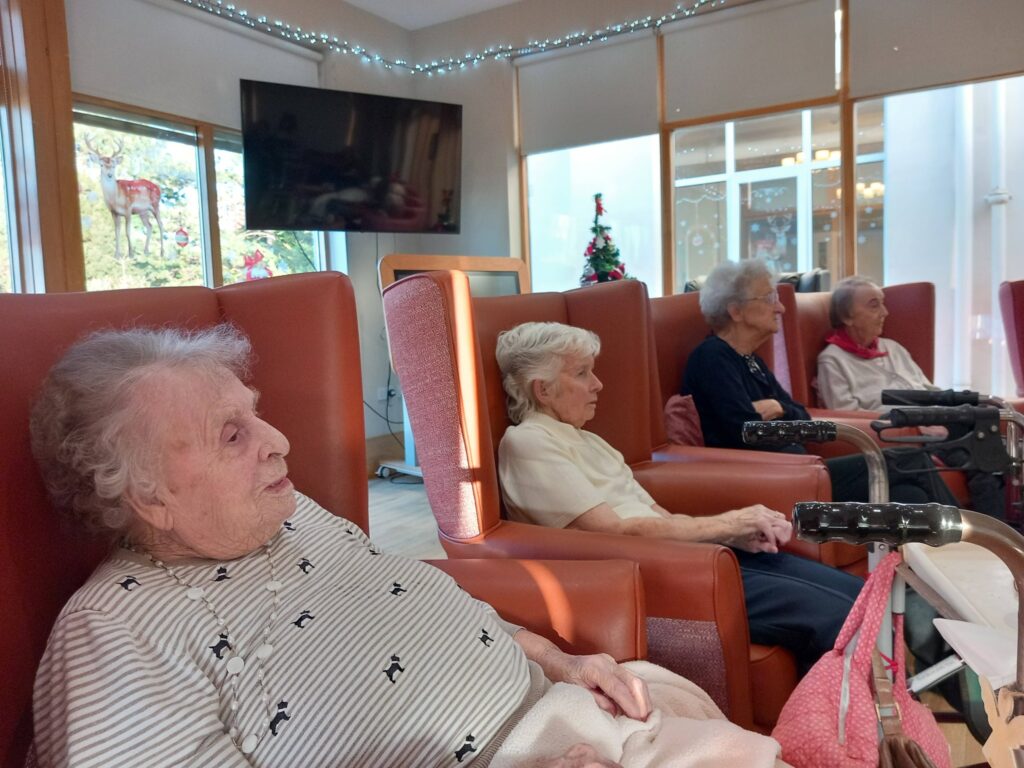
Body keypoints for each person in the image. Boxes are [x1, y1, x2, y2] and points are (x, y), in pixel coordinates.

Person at [29, 325, 784, 768]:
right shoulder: (116, 634)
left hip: (572, 713)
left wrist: (563, 658)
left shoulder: (298, 518)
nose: (279, 441)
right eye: (233, 435)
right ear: (145, 493)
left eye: (256, 416)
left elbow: (431, 603)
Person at [495, 321, 862, 672]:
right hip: (657, 576)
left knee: (857, 594)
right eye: (581, 373)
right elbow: (611, 533)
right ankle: (847, 729)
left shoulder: (588, 439)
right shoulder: (528, 442)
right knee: (839, 617)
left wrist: (730, 533)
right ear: (542, 389)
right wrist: (728, 522)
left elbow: (660, 518)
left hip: (684, 555)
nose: (598, 384)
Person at [681, 259, 960, 507]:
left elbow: (802, 416)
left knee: (911, 496)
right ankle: (970, 543)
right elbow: (746, 432)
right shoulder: (713, 358)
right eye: (768, 298)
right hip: (769, 478)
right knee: (910, 460)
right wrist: (783, 419)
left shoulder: (751, 361)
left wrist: (778, 407)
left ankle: (946, 557)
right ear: (736, 311)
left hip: (801, 469)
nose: (779, 307)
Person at [817, 275, 1004, 520]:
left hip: (938, 422)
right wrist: (916, 423)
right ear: (847, 316)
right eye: (874, 305)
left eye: (883, 304)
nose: (884, 312)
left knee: (988, 439)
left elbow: (927, 388)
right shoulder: (832, 359)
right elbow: (845, 414)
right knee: (981, 458)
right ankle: (987, 535)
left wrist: (952, 407)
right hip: (902, 431)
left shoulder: (892, 347)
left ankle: (1000, 534)